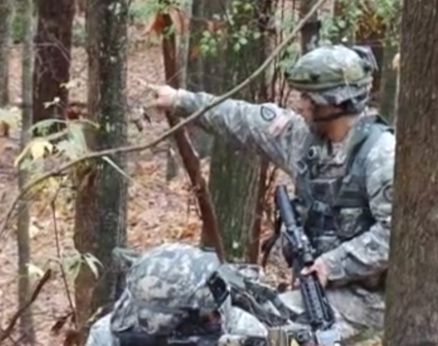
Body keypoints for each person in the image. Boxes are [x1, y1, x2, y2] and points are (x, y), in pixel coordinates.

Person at [146, 44, 395, 343]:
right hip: (311, 290)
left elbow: (394, 235)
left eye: (308, 97)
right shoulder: (305, 139)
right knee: (225, 317)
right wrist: (181, 100)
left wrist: (333, 265)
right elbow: (244, 119)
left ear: (333, 102)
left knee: (256, 334)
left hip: (366, 302)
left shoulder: (381, 155)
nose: (300, 105)